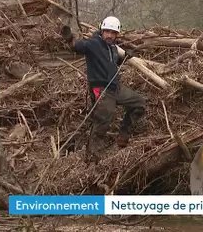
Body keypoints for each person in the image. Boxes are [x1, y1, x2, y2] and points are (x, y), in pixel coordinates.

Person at [60, 16, 146, 164]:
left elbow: (116, 61)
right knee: (104, 120)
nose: (110, 35)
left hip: (116, 88)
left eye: (113, 33)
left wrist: (127, 55)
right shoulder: (93, 44)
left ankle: (123, 134)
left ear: (117, 34)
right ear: (101, 30)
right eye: (107, 32)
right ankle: (93, 157)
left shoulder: (112, 47)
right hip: (101, 89)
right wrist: (69, 40)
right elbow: (77, 46)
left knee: (139, 103)